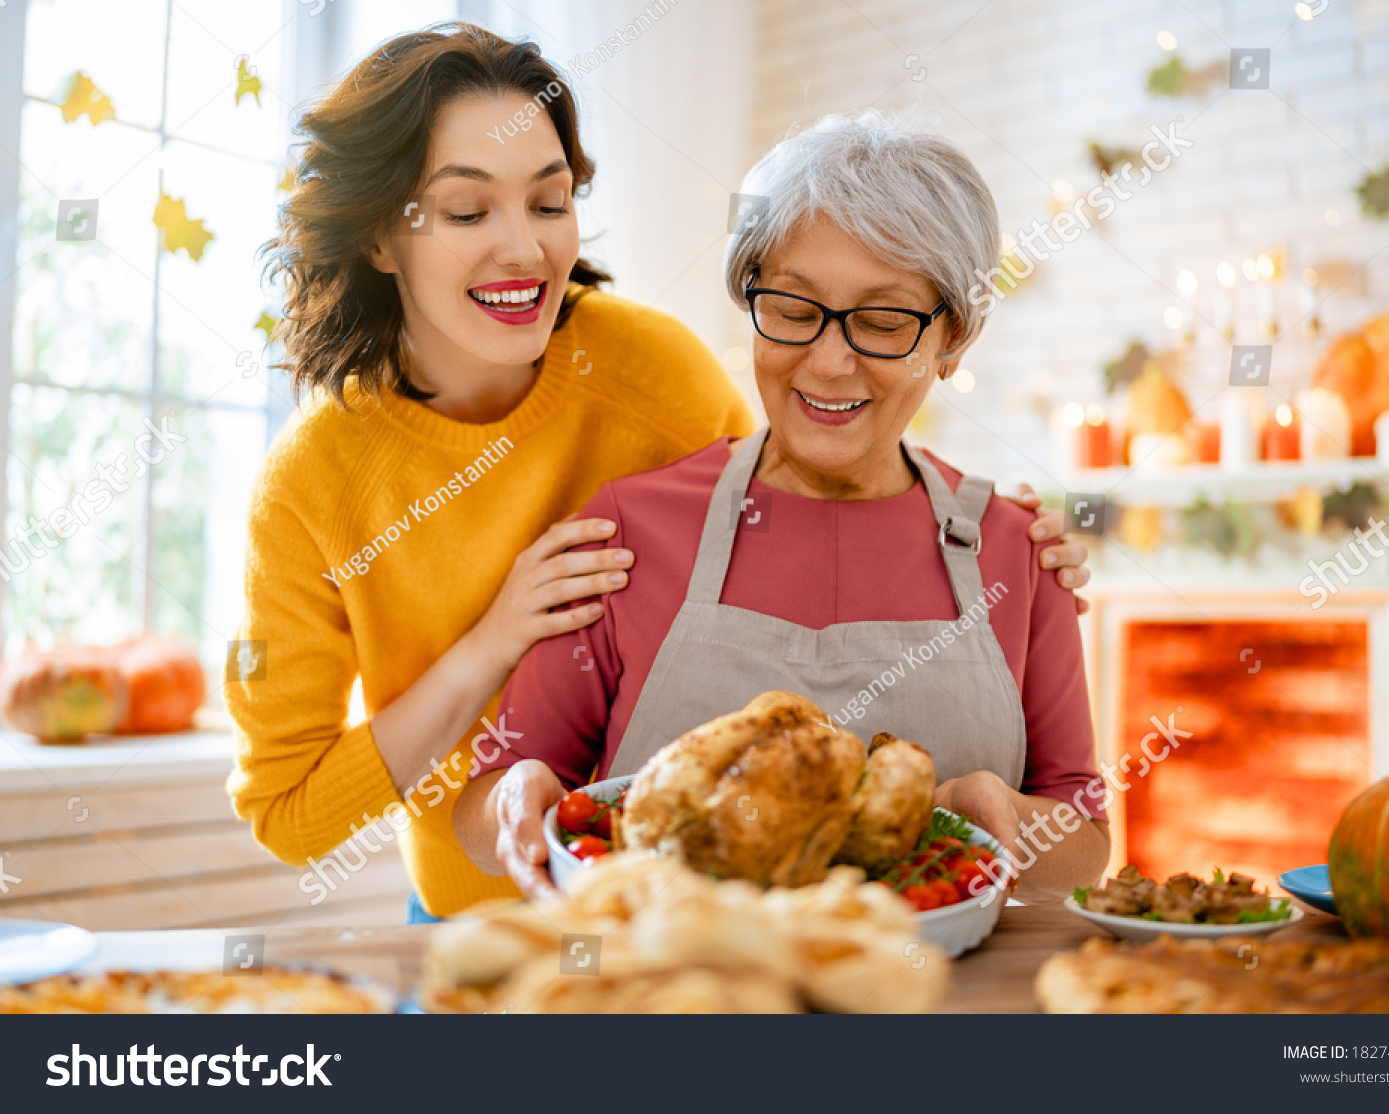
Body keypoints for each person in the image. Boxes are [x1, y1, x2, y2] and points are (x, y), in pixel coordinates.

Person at [226, 24, 1093, 922]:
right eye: (466, 210)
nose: (523, 251)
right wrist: (493, 642)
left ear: (953, 336)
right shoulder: (312, 483)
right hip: (511, 912)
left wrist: (1013, 551)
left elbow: (791, 484)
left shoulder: (651, 370)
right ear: (380, 237)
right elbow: (291, 813)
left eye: (549, 200)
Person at [456, 111, 1111, 906]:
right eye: (794, 311)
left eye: (882, 321)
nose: (829, 363)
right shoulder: (632, 527)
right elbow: (493, 801)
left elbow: (1082, 840)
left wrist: (1003, 816)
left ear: (954, 338)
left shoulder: (1016, 550)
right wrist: (511, 795)